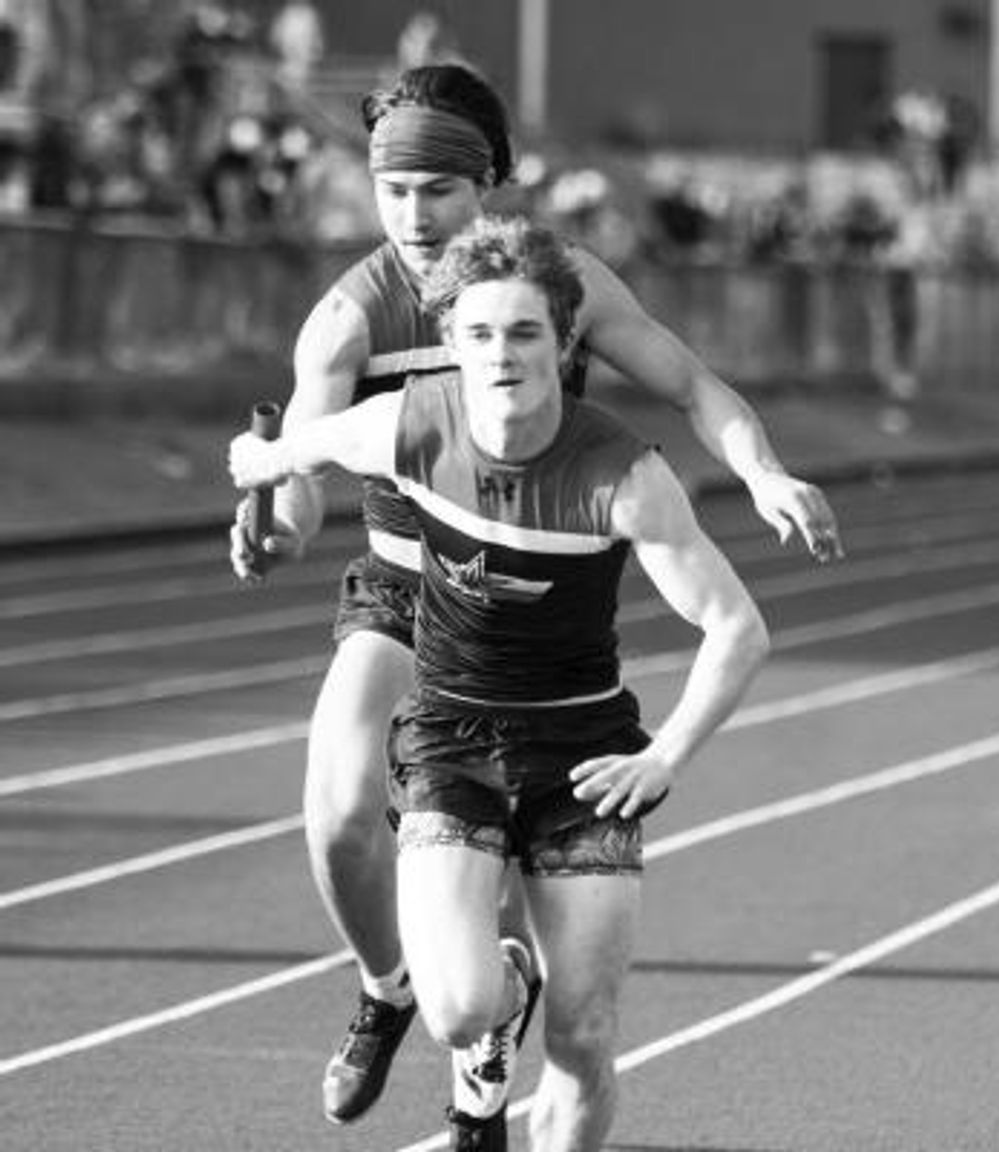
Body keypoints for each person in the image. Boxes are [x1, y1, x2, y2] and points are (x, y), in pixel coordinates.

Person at [227, 62, 840, 1136]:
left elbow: (692, 385)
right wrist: (266, 530)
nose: (416, 218)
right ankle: (386, 990)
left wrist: (764, 472)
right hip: (405, 575)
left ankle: (486, 1041)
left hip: (531, 590)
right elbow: (300, 499)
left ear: (490, 186)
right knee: (334, 814)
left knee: (509, 885)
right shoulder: (345, 320)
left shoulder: (561, 286)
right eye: (394, 193)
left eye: (441, 192)